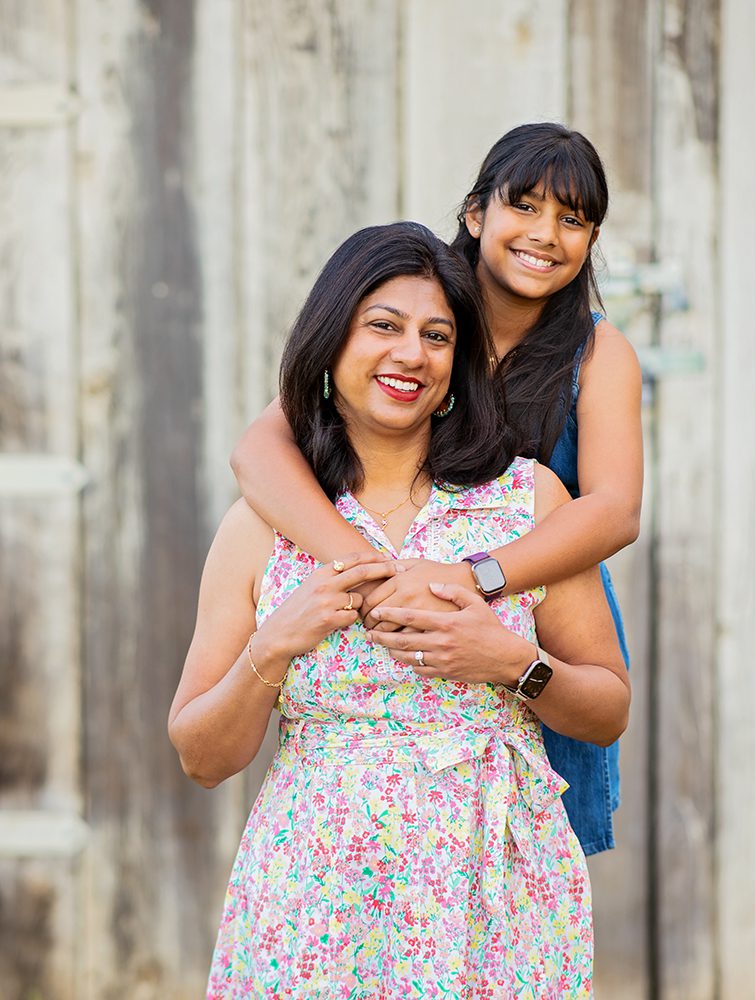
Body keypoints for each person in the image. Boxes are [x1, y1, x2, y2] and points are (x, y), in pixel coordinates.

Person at [169, 223, 630, 997]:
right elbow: (201, 755)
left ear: (456, 368)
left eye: (437, 336)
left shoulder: (527, 504)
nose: (411, 354)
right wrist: (277, 643)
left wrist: (511, 664)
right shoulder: (264, 525)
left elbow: (607, 710)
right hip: (314, 898)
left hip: (496, 892)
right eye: (382, 325)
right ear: (331, 342)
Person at [230, 123, 643, 856]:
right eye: (526, 206)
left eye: (573, 219)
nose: (546, 234)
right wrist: (371, 576)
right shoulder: (419, 309)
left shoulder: (597, 351)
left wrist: (474, 577)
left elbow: (613, 510)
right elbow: (260, 451)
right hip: (388, 574)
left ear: (592, 238)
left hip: (537, 595)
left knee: (534, 832)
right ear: (476, 213)